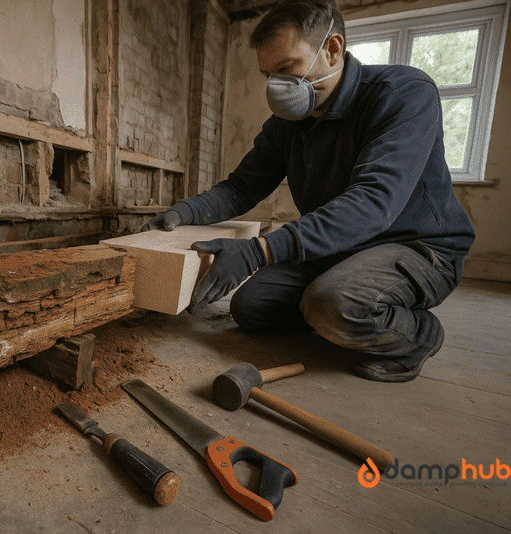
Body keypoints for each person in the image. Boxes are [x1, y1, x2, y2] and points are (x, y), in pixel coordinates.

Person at [141, 0, 475, 382]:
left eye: (286, 69)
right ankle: (341, 310)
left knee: (332, 303)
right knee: (251, 307)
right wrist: (184, 212)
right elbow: (241, 187)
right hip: (342, 247)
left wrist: (258, 251)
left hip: (418, 248)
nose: (276, 86)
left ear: (332, 50)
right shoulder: (288, 123)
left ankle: (417, 336)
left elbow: (372, 202)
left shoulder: (403, 93)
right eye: (268, 74)